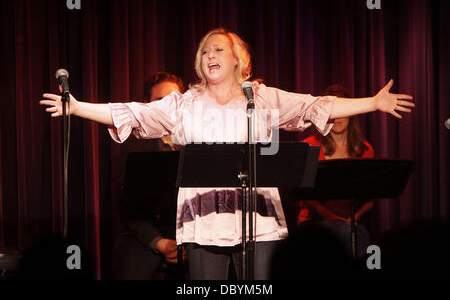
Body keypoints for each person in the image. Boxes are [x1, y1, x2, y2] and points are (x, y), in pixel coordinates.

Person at [40, 28, 415, 279]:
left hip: (262, 225)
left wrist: (374, 103)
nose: (209, 54)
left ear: (239, 60)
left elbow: (318, 106)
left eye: (219, 49)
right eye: (204, 50)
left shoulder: (263, 98)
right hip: (205, 226)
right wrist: (77, 106)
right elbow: (131, 113)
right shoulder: (183, 104)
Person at [112, 72, 185, 280]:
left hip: (194, 236)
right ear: (147, 105)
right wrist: (158, 242)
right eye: (160, 101)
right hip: (149, 233)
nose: (167, 106)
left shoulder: (198, 141)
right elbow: (126, 206)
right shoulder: (134, 147)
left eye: (173, 100)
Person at [298, 84, 375, 258]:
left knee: (359, 236)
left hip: (353, 224)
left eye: (342, 111)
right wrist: (335, 219)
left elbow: (371, 197)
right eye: (333, 112)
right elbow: (306, 198)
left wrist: (353, 219)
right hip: (315, 222)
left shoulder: (365, 149)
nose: (339, 118)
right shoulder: (309, 146)